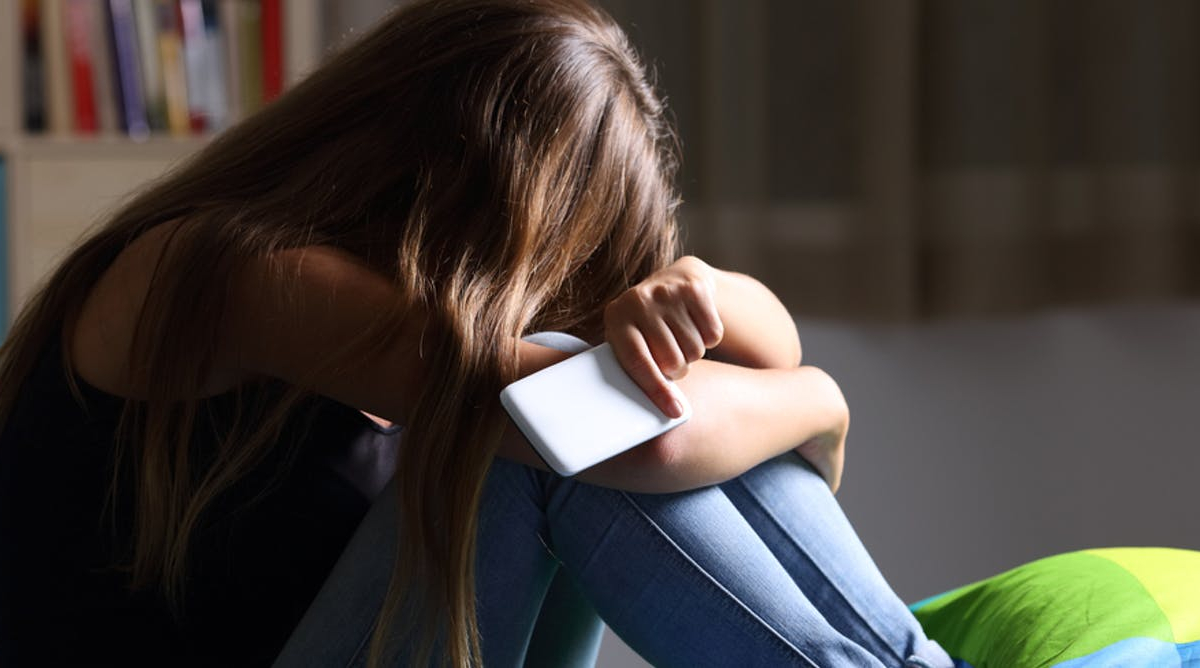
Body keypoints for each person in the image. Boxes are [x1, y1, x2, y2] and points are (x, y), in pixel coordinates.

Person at [0, 0, 952, 666]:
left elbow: (761, 352)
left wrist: (695, 287)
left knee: (572, 401)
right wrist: (822, 403)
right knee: (549, 424)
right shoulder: (234, 272)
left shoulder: (411, 301)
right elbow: (634, 437)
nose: (549, 295)